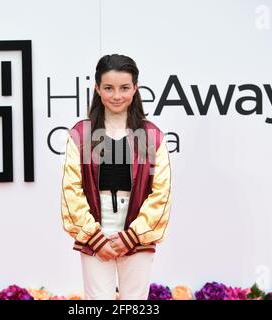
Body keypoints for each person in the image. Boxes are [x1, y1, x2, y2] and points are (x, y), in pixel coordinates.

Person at [60, 54, 172, 300]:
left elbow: (161, 195)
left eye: (124, 88)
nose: (117, 95)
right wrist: (96, 238)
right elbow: (72, 192)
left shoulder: (153, 136)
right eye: (109, 88)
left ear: (136, 88)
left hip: (137, 238)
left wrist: (132, 237)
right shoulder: (80, 134)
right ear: (97, 88)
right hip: (95, 237)